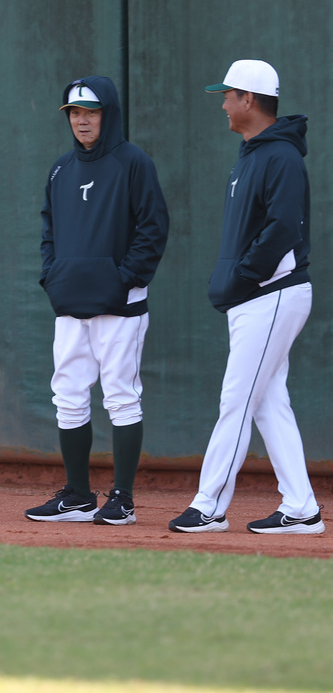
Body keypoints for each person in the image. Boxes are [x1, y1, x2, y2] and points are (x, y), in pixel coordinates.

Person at [169, 60, 323, 535]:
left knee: (236, 399)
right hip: (257, 297)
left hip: (272, 293)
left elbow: (282, 229)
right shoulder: (253, 153)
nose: (223, 104)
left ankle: (209, 504)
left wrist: (243, 278)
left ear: (249, 99)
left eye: (228, 95)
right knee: (268, 402)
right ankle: (301, 508)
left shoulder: (280, 158)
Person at [25, 76, 169, 526]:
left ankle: (121, 498)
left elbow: (153, 228)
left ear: (108, 113)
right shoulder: (60, 170)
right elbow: (49, 231)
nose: (82, 120)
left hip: (120, 303)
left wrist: (125, 279)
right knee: (67, 395)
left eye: (90, 111)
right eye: (74, 113)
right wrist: (53, 276)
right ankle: (78, 495)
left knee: (121, 397)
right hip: (71, 301)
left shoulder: (133, 163)